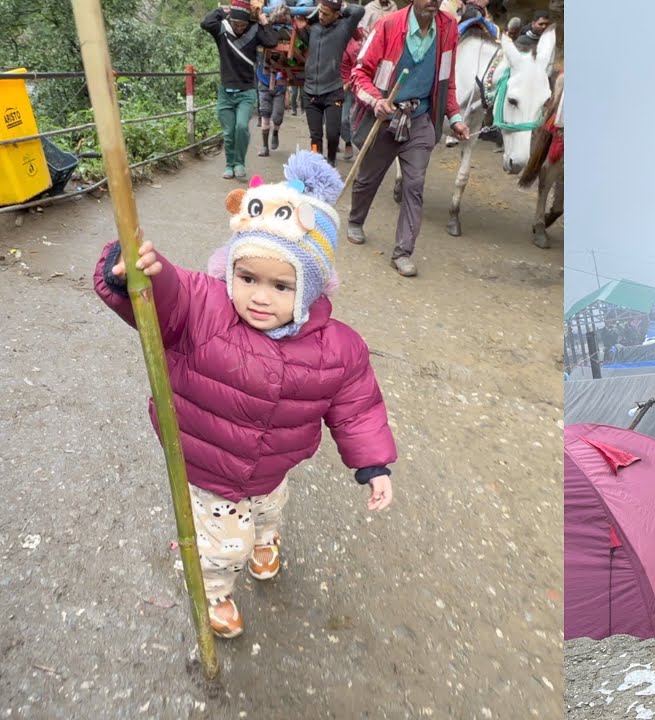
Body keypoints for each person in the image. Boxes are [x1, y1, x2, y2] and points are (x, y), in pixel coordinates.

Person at [91, 151, 397, 639]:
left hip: (273, 468)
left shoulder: (338, 349)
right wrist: (136, 275)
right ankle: (213, 590)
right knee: (221, 546)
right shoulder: (206, 308)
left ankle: (266, 540)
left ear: (311, 289)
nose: (259, 296)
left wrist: (374, 465)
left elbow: (357, 408)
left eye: (281, 286)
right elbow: (171, 294)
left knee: (269, 512)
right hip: (209, 468)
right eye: (247, 277)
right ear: (229, 268)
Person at [346, 0, 470, 278]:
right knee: (367, 178)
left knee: (414, 185)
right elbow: (358, 74)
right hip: (385, 119)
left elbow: (446, 81)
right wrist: (376, 101)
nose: (434, 1)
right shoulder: (388, 25)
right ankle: (356, 220)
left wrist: (455, 117)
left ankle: (403, 252)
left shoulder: (448, 28)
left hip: (420, 119)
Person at [201, 0, 286, 179]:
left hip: (246, 91)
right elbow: (205, 23)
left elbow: (271, 41)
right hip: (226, 91)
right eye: (236, 24)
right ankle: (229, 165)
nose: (239, 28)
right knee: (229, 132)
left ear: (248, 22)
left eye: (242, 25)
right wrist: (223, 11)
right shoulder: (222, 30)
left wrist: (263, 20)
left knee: (241, 127)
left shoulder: (254, 31)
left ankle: (240, 162)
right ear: (230, 20)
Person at [299, 0, 365, 165]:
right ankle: (316, 162)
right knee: (315, 137)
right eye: (320, 12)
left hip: (333, 90)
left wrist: (340, 4)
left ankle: (331, 161)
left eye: (326, 14)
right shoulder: (313, 28)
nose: (321, 16)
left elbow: (359, 11)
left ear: (336, 15)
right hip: (310, 92)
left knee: (333, 133)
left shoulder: (344, 28)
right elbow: (298, 22)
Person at [339, 25, 368, 161]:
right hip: (330, 86)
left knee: (344, 119)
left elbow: (357, 70)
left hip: (347, 88)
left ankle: (349, 143)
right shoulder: (331, 42)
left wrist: (348, 84)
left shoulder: (354, 48)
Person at [254, 63, 287, 157]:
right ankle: (265, 147)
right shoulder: (258, 50)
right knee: (265, 114)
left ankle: (275, 133)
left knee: (278, 117)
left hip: (279, 86)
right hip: (264, 84)